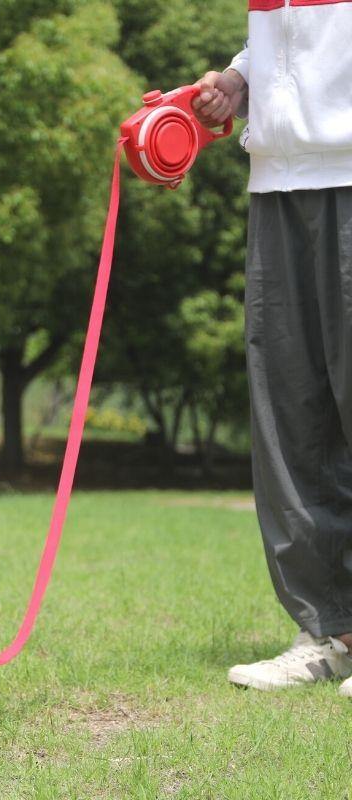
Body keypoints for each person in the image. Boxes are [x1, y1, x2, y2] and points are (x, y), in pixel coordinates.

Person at [191, 0, 352, 693]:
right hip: (278, 179)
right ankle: (330, 630)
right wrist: (239, 76)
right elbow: (293, 36)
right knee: (291, 413)